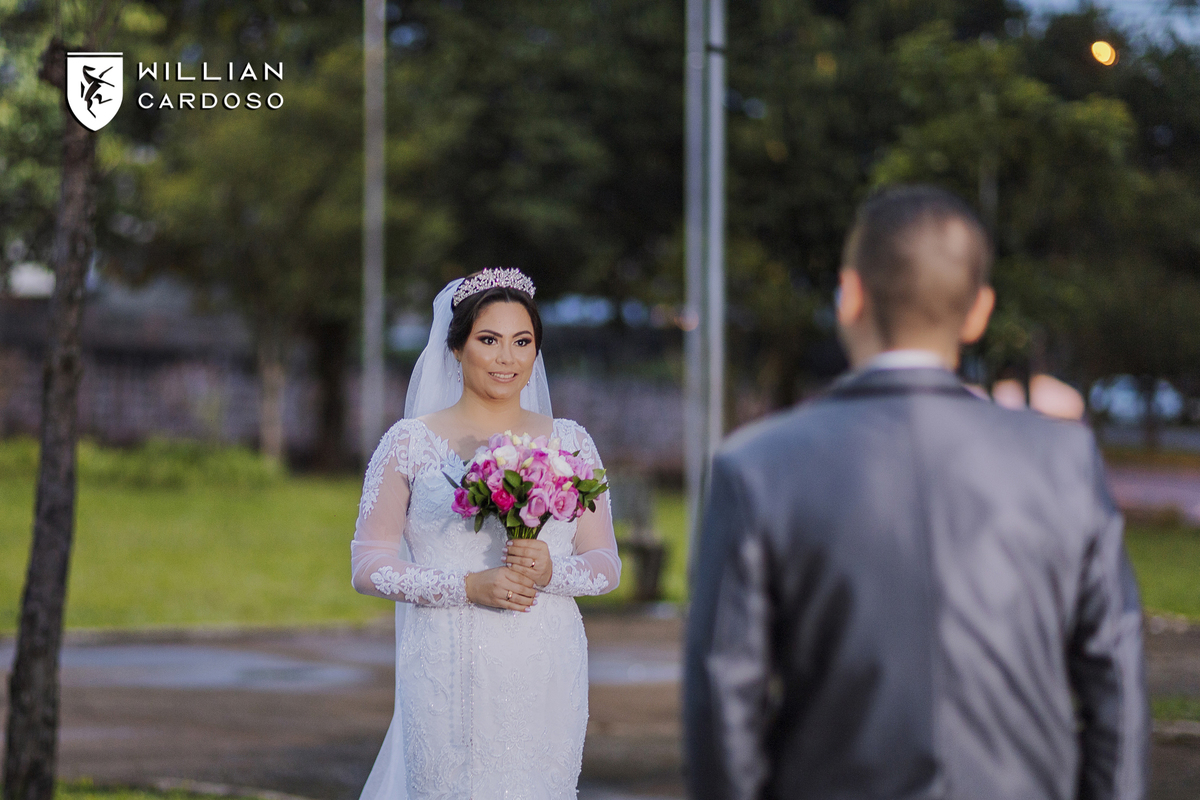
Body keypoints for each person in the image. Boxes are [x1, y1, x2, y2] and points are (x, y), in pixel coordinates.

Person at [684, 186, 1147, 800]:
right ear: (979, 311)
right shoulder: (1066, 462)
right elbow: (1116, 684)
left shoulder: (755, 467)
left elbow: (722, 700)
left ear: (851, 295)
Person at [351, 268, 621, 800]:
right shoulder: (409, 444)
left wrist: (551, 571)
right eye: (489, 340)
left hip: (545, 666)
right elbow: (367, 565)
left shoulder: (570, 443)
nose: (507, 358)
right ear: (456, 347)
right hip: (447, 667)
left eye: (522, 342)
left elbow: (606, 564)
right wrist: (467, 586)